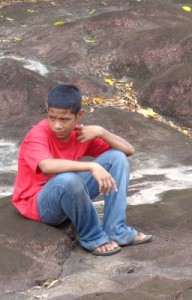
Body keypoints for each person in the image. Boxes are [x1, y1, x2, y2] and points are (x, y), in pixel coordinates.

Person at [12, 84, 152, 256]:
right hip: (39, 205)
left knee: (117, 158)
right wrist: (91, 166)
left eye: (64, 119)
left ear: (79, 115)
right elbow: (47, 166)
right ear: (47, 111)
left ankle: (116, 229)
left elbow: (128, 150)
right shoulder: (37, 134)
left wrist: (101, 132)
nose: (57, 125)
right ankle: (93, 236)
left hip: (70, 194)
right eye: (52, 117)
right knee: (68, 179)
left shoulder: (80, 133)